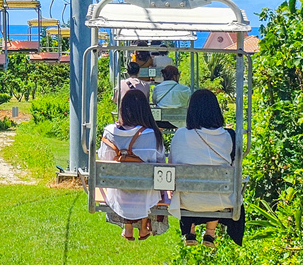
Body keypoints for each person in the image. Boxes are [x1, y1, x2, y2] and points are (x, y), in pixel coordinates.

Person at [169, 89, 245, 248]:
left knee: (189, 186)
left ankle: (190, 228)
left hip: (186, 201)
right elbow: (236, 167)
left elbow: (172, 164)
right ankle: (210, 232)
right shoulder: (229, 136)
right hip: (221, 200)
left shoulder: (180, 135)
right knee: (214, 187)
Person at [97, 89, 165, 241]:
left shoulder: (109, 132)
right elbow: (161, 165)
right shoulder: (153, 134)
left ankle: (128, 227)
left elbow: (104, 159)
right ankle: (143, 224)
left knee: (125, 185)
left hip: (117, 193)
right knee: (148, 187)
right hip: (146, 194)